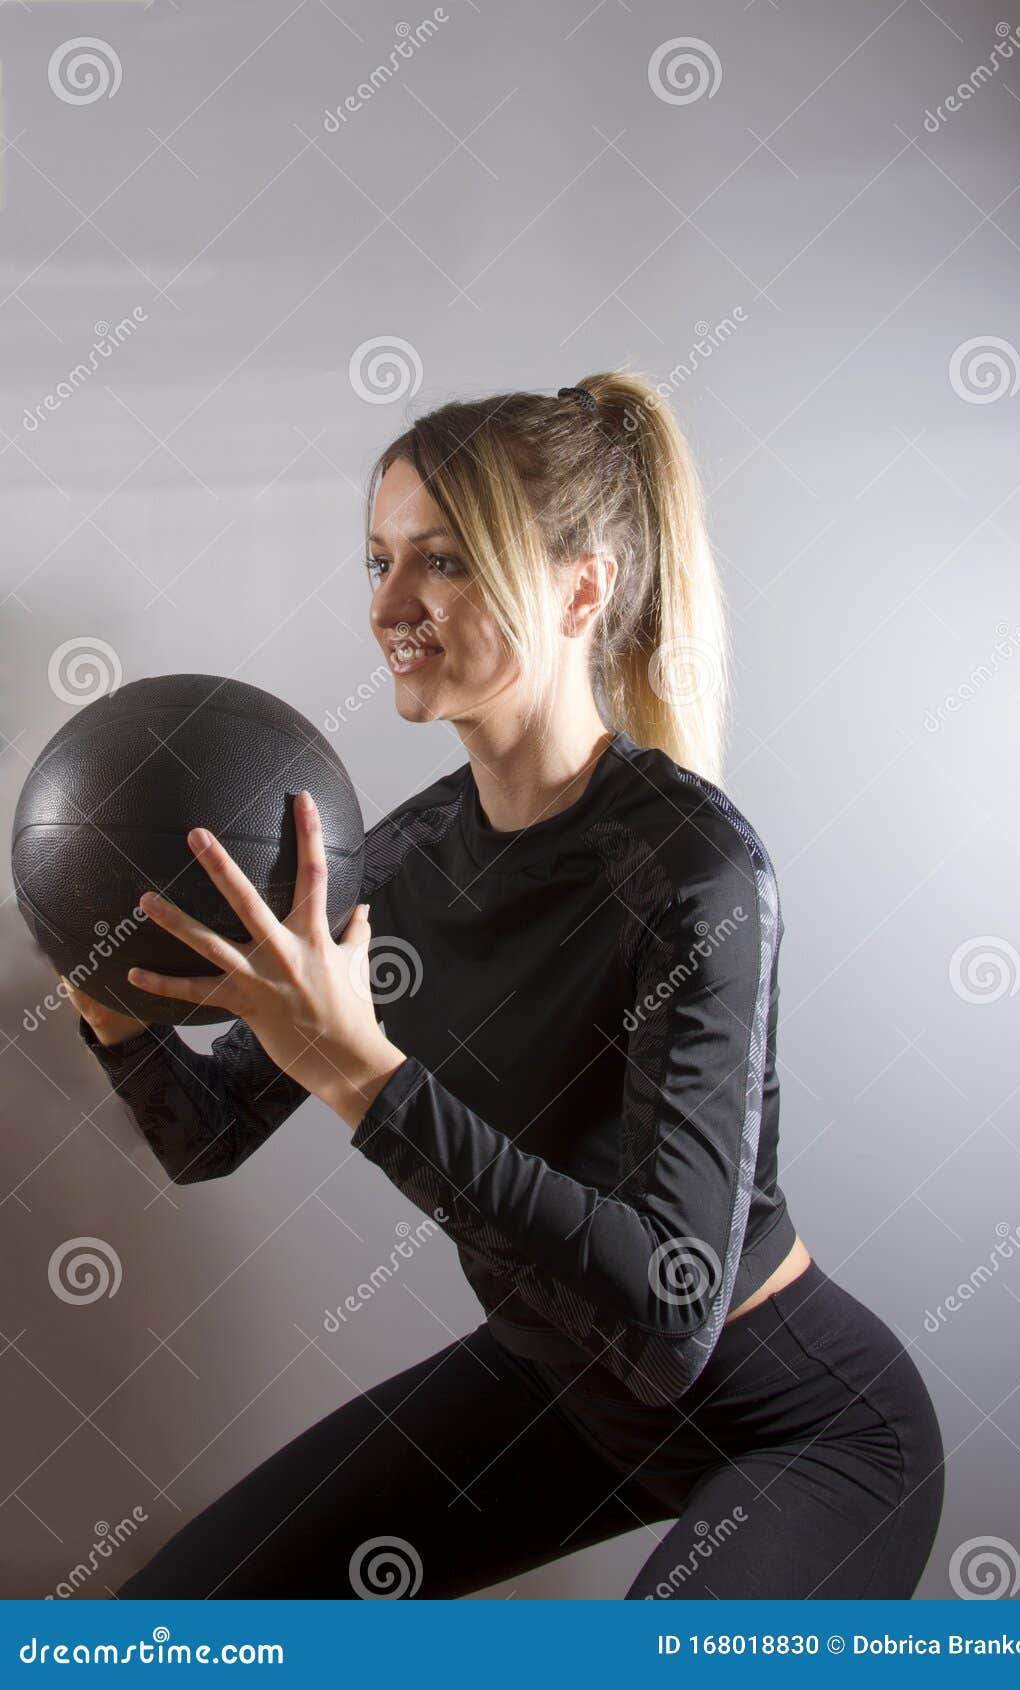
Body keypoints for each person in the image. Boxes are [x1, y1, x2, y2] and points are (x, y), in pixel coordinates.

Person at [68, 372, 945, 1600]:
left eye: (443, 562)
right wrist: (112, 1011)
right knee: (160, 1630)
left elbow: (668, 1310)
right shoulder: (402, 863)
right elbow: (205, 1136)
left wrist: (365, 1081)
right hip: (560, 1390)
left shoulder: (695, 868)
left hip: (791, 1421)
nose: (390, 603)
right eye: (377, 560)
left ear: (581, 588)